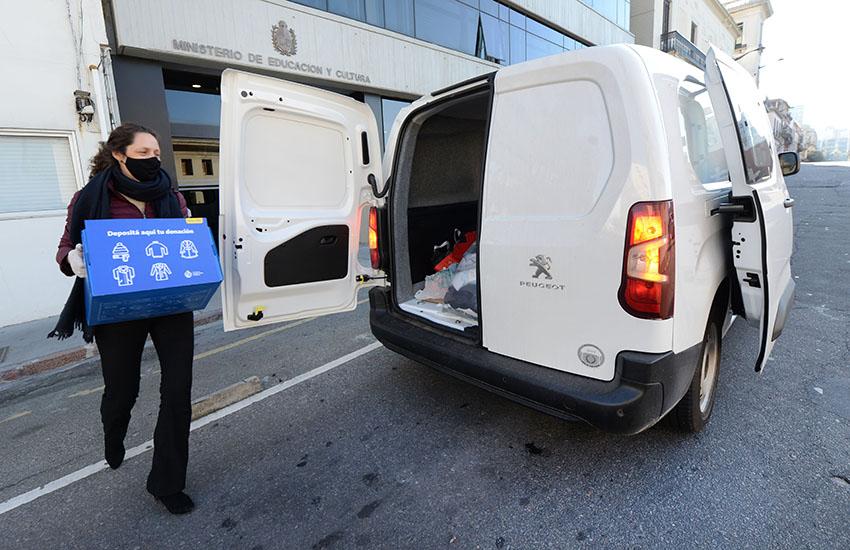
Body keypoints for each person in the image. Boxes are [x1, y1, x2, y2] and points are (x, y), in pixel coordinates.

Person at [50, 123, 196, 515]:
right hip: (119, 309)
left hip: (170, 303)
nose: (154, 160)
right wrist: (72, 260)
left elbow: (184, 242)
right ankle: (114, 433)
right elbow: (66, 245)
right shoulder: (90, 197)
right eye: (144, 152)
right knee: (121, 391)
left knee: (178, 392)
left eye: (157, 154)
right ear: (119, 153)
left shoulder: (171, 196)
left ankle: (167, 483)